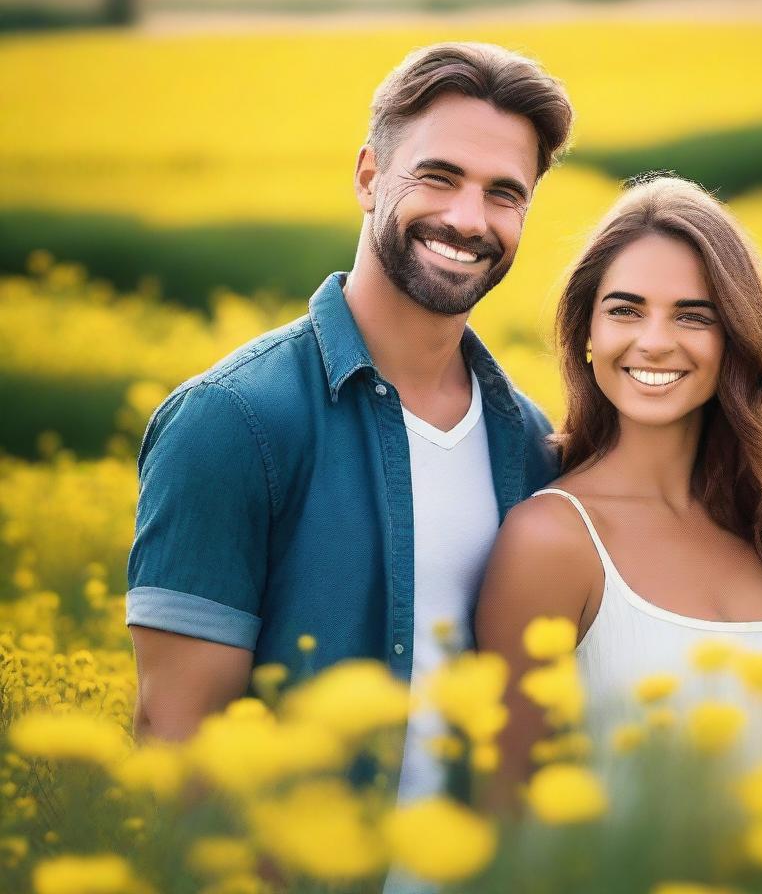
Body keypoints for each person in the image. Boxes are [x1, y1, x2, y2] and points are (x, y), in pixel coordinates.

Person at [125, 42, 573, 830]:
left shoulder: (530, 444)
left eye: (505, 194)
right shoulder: (234, 421)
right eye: (439, 176)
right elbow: (174, 743)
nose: (468, 219)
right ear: (369, 176)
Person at [475, 174, 762, 802]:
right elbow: (505, 819)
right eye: (624, 309)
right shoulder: (550, 541)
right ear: (586, 334)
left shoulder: (758, 523)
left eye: (693, 316)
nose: (653, 341)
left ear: (735, 339)